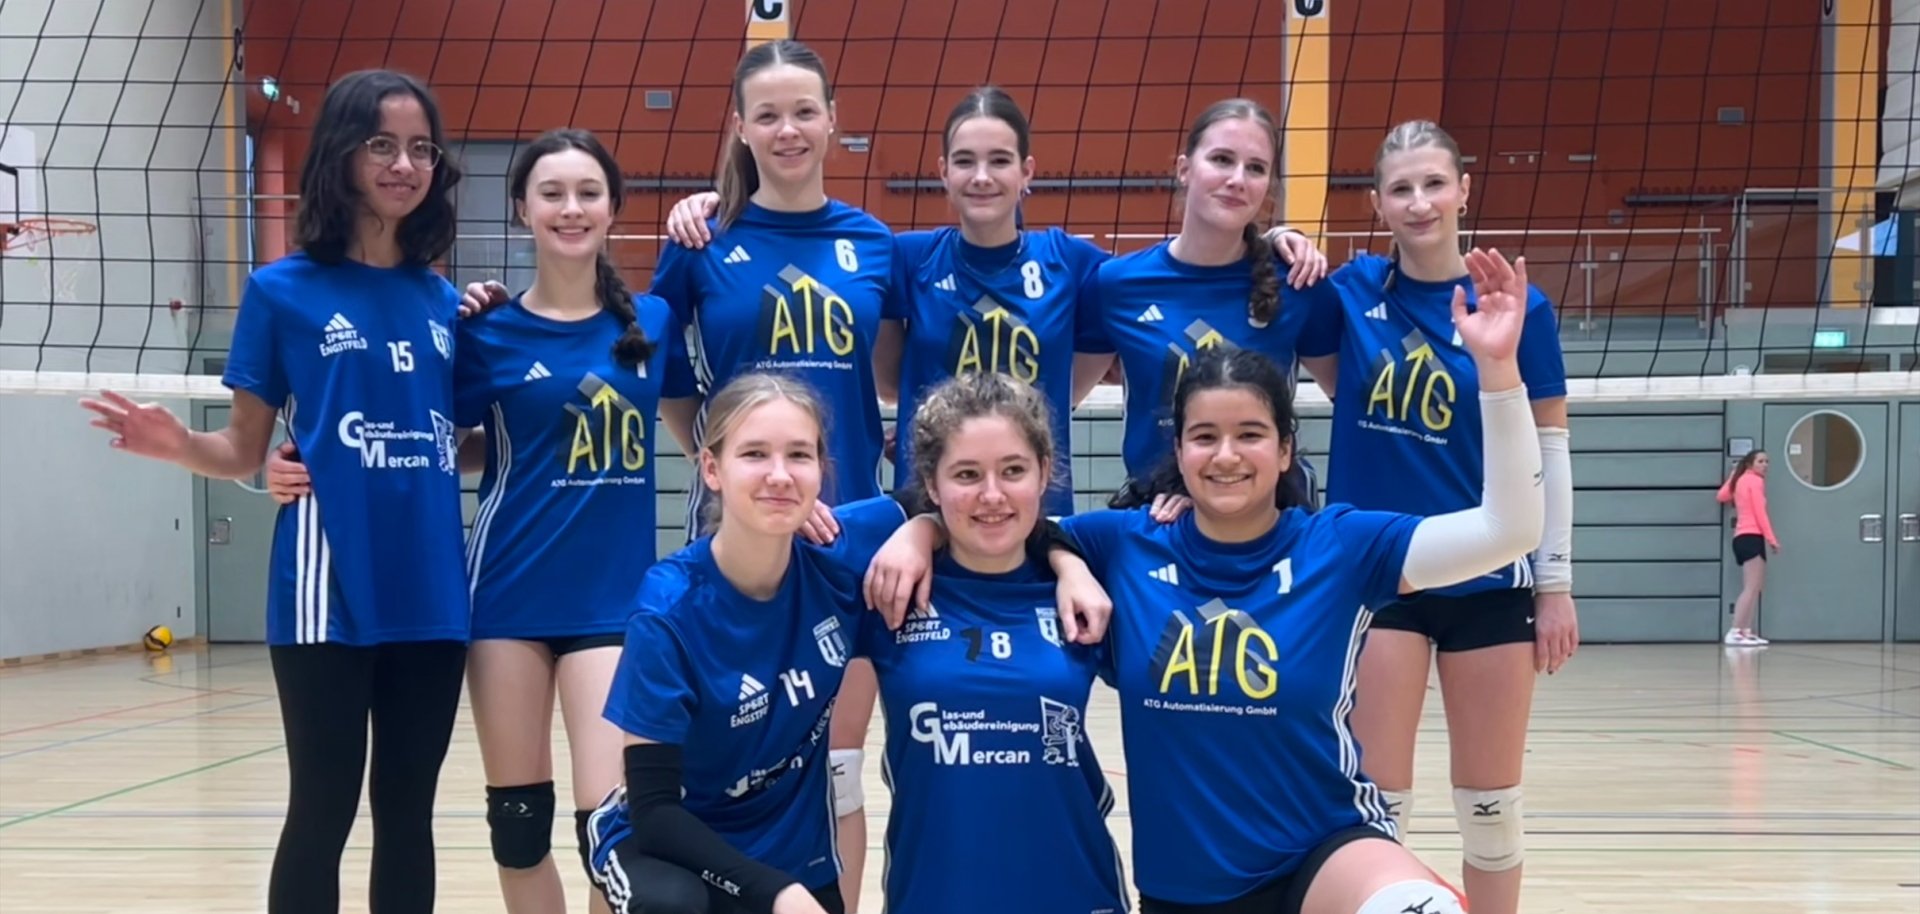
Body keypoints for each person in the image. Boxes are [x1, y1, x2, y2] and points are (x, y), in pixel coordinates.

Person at [864, 246, 1544, 914]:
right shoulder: (1124, 544)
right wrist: (924, 528)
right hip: (1186, 890)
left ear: (1285, 449)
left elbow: (1507, 531)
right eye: (1204, 437)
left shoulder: (1341, 545)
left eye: (1250, 434)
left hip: (1324, 853)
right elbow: (1005, 521)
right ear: (1179, 450)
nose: (1226, 456)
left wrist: (1497, 371)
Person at [261, 128, 699, 913]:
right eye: (552, 194)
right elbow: (438, 441)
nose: (571, 208)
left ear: (613, 208)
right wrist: (299, 462)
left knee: (613, 838)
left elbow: (703, 437)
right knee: (518, 831)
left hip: (614, 605)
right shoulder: (481, 329)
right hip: (504, 602)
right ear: (522, 208)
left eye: (589, 193)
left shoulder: (656, 322)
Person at [80, 69, 472, 913]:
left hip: (433, 590)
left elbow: (460, 446)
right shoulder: (279, 291)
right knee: (322, 809)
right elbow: (243, 450)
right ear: (341, 153)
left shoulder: (445, 302)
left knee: (409, 814)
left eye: (421, 149)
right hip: (324, 592)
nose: (405, 165)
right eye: (382, 145)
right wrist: (180, 445)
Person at [662, 86, 1328, 519]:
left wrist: (1274, 239)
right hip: (926, 508)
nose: (982, 177)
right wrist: (717, 205)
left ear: (1027, 172)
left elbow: (1067, 383)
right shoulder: (903, 255)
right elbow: (885, 370)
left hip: (1039, 510)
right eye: (966, 161)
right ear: (943, 172)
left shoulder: (1080, 266)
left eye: (1001, 160)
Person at [1293, 120, 1578, 914]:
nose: (1419, 202)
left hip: (1489, 580)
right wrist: (1284, 237)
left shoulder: (1519, 306)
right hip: (1380, 577)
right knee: (1378, 803)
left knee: (1492, 806)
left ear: (1463, 189)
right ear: (1377, 203)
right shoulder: (1351, 294)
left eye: (1434, 184)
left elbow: (1550, 450)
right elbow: (1303, 337)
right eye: (1401, 188)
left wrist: (1555, 585)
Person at [581, 371, 908, 914]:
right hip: (670, 844)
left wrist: (921, 534)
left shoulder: (839, 551)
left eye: (799, 455)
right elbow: (655, 812)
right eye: (755, 454)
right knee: (670, 906)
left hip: (792, 851)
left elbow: (954, 498)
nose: (779, 475)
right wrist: (773, 892)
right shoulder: (670, 609)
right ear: (712, 469)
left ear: (821, 470)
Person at [856, 372, 1128, 914]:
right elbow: (786, 524)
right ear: (931, 484)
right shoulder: (888, 583)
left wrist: (1068, 561)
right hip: (935, 895)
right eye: (966, 474)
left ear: (1044, 472)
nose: (992, 495)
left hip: (1075, 892)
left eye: (1013, 470)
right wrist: (920, 528)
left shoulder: (1092, 580)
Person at [1073, 98, 1342, 502]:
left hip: (1268, 514)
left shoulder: (1298, 283)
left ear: (1268, 186)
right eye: (1221, 159)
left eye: (1256, 168)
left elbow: (1359, 407)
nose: (1237, 179)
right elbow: (1057, 403)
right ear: (1184, 168)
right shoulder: (1116, 284)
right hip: (1156, 514)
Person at [1717, 450, 1777, 645]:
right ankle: (1735, 631)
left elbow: (1722, 495)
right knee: (1751, 587)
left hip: (1741, 538)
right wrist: (1771, 538)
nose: (1765, 465)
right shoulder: (1755, 482)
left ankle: (1745, 631)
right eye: (1760, 461)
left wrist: (1734, 475)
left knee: (1754, 587)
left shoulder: (1740, 480)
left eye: (1767, 461)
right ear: (1750, 464)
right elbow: (1760, 513)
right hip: (1752, 536)